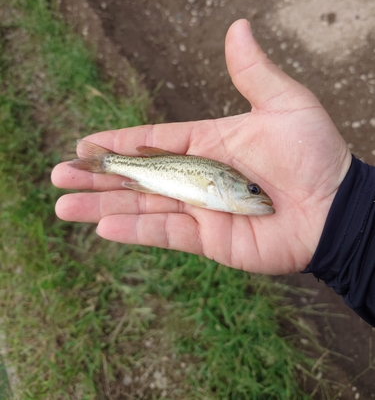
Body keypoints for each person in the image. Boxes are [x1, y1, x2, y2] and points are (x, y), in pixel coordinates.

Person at [51, 19, 375, 326]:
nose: (259, 197)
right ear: (225, 183)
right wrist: (349, 231)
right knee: (115, 174)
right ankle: (105, 161)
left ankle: (106, 162)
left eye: (254, 191)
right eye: (252, 190)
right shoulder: (216, 183)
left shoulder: (225, 190)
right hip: (151, 172)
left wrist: (346, 231)